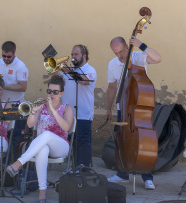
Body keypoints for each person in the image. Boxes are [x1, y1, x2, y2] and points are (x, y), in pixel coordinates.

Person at [6, 75, 74, 203]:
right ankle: (42, 192)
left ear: (61, 93)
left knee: (47, 134)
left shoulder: (67, 108)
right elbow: (30, 125)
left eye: (55, 92)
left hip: (61, 146)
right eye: (49, 91)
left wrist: (53, 110)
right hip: (42, 145)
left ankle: (18, 163)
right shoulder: (41, 106)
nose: (51, 94)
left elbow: (66, 127)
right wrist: (34, 111)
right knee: (42, 149)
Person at [106, 36, 162, 190]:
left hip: (139, 109)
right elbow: (112, 87)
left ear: (126, 46)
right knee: (122, 140)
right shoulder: (113, 64)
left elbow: (157, 59)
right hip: (123, 108)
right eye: (115, 53)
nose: (119, 56)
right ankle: (121, 173)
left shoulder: (138, 57)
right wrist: (108, 108)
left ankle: (147, 177)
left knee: (144, 141)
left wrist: (140, 45)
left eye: (121, 52)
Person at [60, 44, 96, 167]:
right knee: (71, 143)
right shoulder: (68, 71)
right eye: (72, 54)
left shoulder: (90, 70)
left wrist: (67, 71)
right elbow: (56, 83)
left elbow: (84, 81)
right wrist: (55, 71)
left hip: (83, 114)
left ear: (84, 56)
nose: (73, 57)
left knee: (82, 143)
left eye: (76, 54)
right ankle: (75, 170)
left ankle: (84, 172)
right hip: (68, 115)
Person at [0, 41, 28, 154]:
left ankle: (13, 162)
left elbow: (23, 87)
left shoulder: (20, 66)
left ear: (14, 53)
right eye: (3, 56)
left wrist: (3, 86)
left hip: (15, 104)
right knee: (0, 132)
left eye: (8, 56)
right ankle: (1, 161)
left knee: (14, 134)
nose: (6, 58)